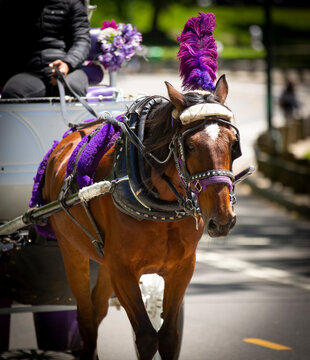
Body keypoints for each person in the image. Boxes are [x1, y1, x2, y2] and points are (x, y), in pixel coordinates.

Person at [0, 0, 91, 99]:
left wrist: (67, 64)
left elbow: (82, 40)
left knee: (72, 89)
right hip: (30, 71)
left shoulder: (73, 4)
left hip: (68, 69)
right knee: (13, 92)